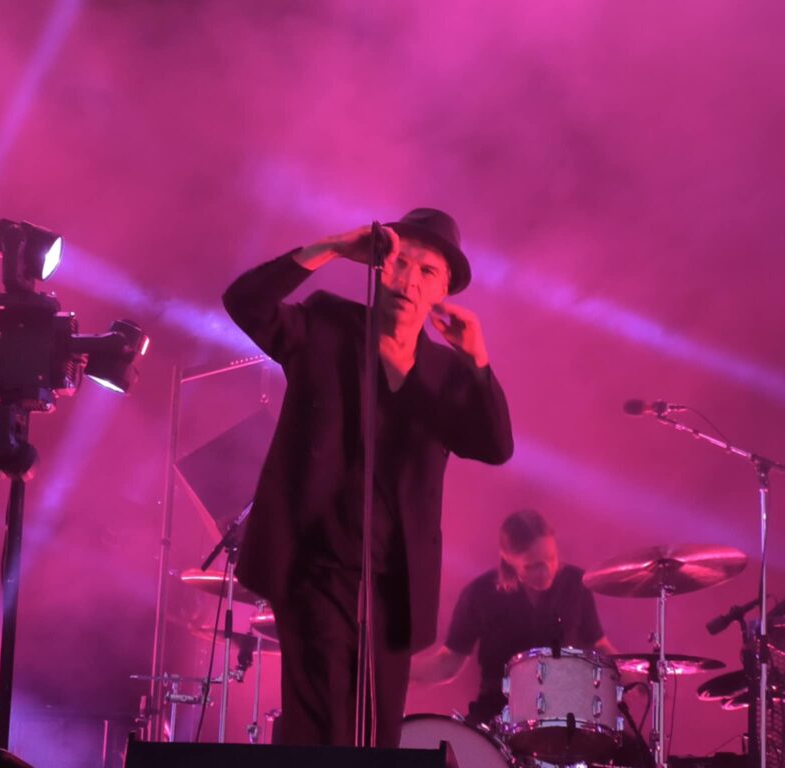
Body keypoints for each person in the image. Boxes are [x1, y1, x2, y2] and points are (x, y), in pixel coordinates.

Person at [221, 208, 514, 747]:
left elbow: (496, 447)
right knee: (323, 730)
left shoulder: (446, 375)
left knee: (376, 739)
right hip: (315, 570)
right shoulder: (327, 327)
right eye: (401, 263)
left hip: (393, 588)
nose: (409, 280)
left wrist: (478, 362)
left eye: (427, 272)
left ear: (442, 291)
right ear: (380, 266)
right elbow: (244, 303)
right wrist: (330, 247)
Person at [412, 509, 616, 725]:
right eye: (533, 566)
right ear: (508, 559)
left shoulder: (576, 583)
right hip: (497, 712)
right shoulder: (480, 593)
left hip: (563, 715)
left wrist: (639, 672)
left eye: (551, 558)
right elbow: (447, 664)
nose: (546, 571)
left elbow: (600, 646)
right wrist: (398, 668)